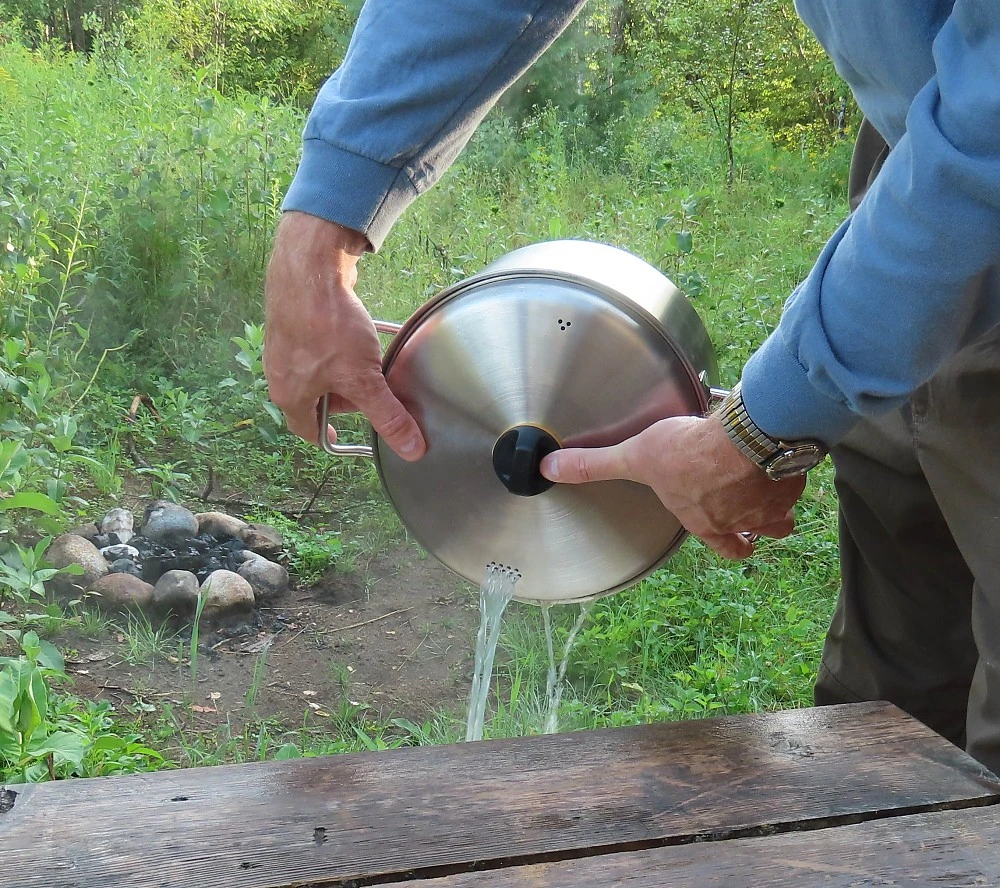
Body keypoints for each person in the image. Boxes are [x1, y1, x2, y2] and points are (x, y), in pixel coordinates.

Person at [264, 1, 1000, 772]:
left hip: (967, 154)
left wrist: (761, 429)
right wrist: (320, 229)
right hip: (917, 143)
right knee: (886, 713)